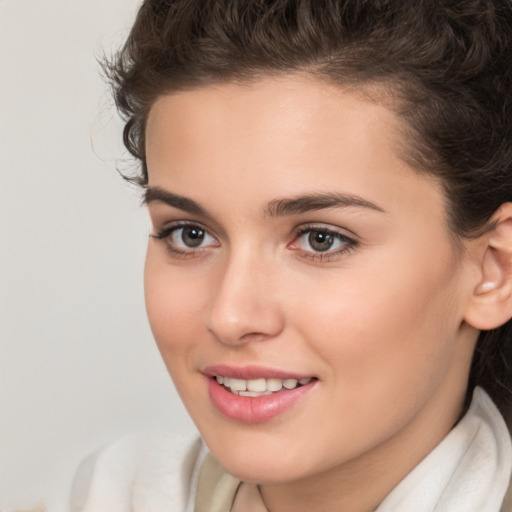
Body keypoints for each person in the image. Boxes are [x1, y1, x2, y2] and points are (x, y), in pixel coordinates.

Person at [70, 0, 512, 510]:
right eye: (190, 234)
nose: (230, 316)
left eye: (320, 239)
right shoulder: (106, 494)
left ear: (493, 270)